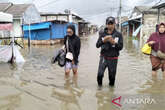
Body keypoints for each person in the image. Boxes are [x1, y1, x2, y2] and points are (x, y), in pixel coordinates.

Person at [96, 16, 123, 87]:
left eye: (112, 23)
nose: (110, 25)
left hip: (113, 59)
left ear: (114, 24)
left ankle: (111, 93)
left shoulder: (118, 34)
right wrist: (103, 40)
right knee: (99, 75)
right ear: (106, 24)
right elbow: (97, 45)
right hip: (103, 57)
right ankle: (99, 90)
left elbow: (121, 47)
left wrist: (114, 43)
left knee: (112, 77)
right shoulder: (102, 33)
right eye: (108, 24)